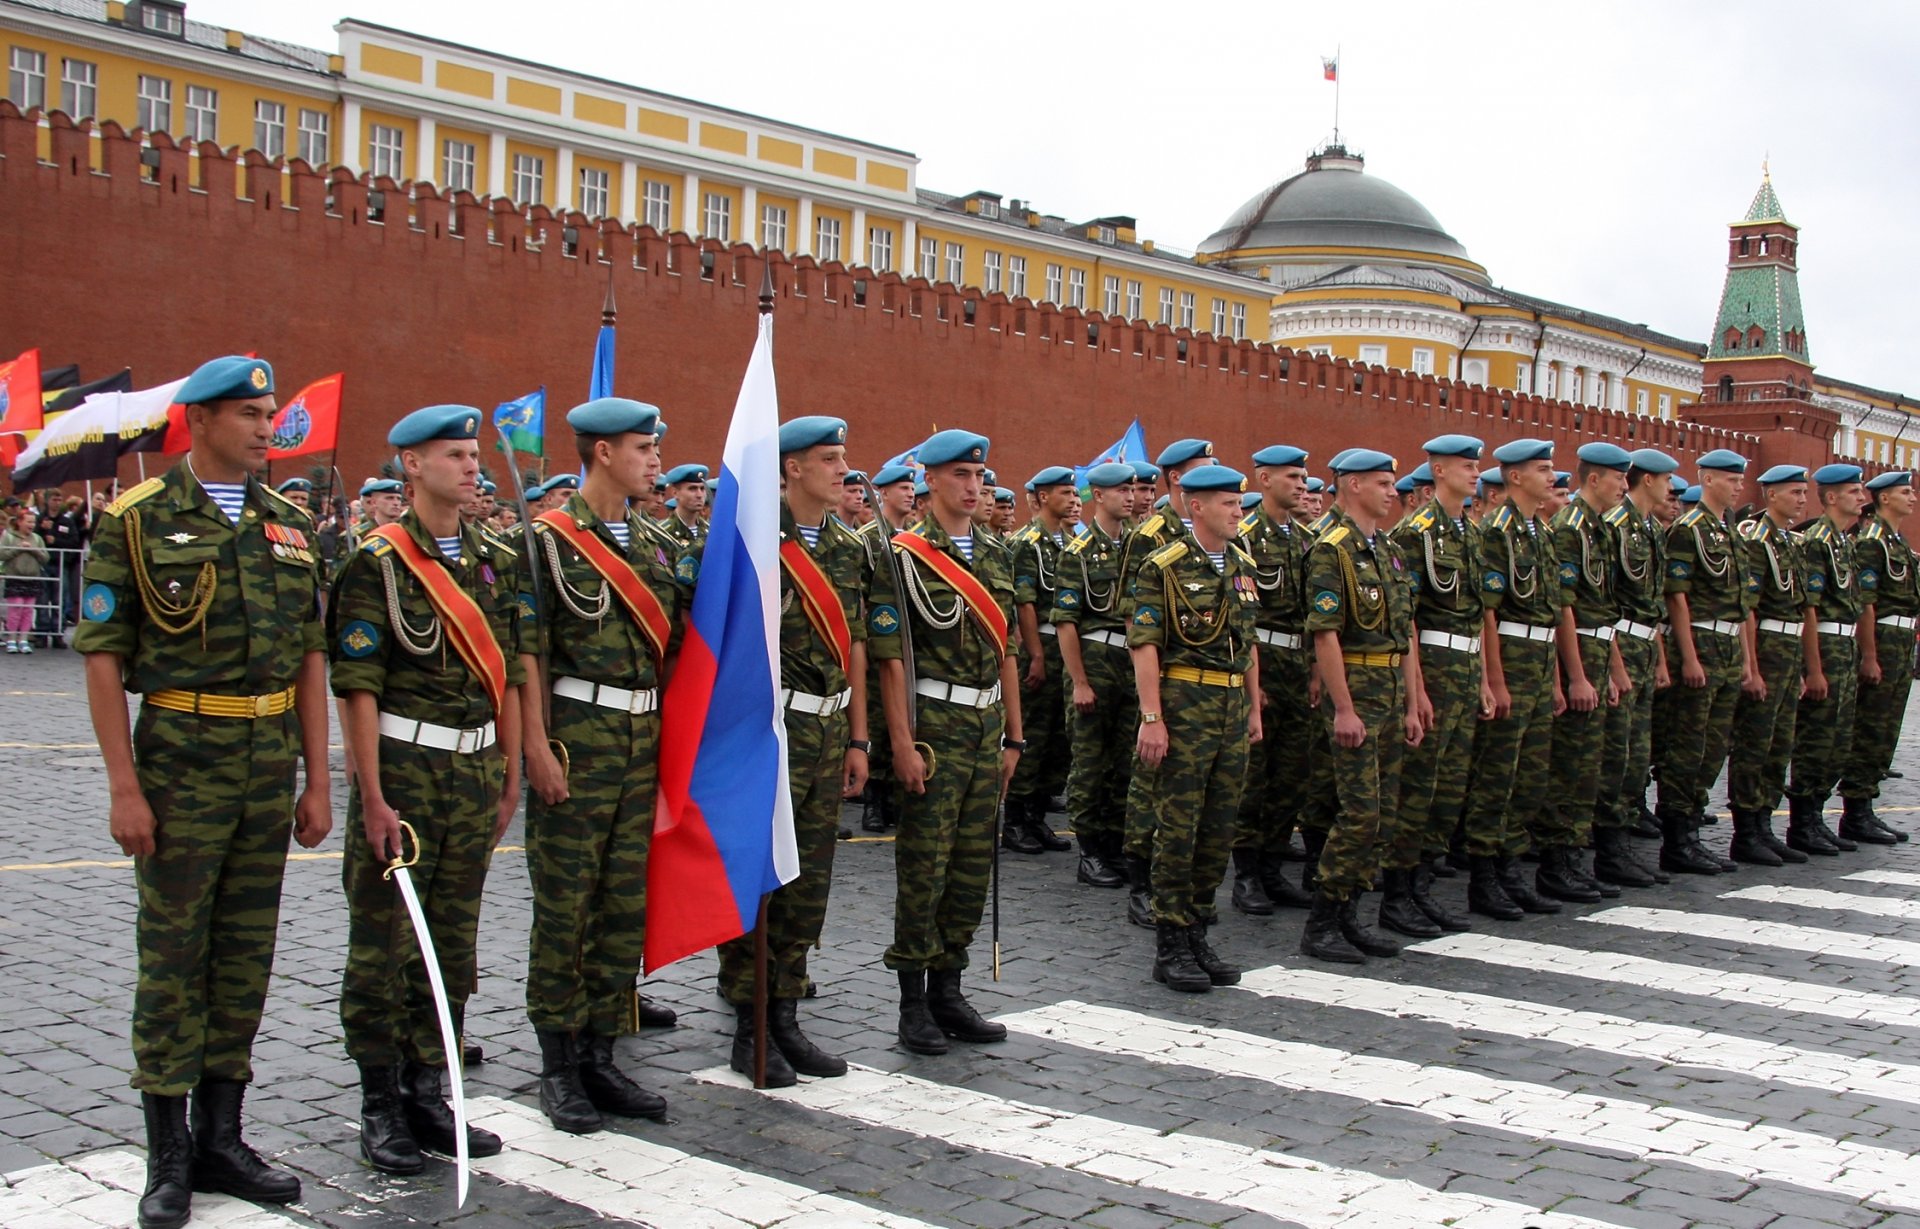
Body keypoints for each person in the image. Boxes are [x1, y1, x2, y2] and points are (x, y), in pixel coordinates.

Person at [76, 355, 331, 1229]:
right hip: (181, 757)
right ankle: (169, 1149)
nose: (269, 427)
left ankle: (224, 1134)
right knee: (174, 955)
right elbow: (105, 658)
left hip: (267, 765)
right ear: (200, 420)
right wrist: (124, 786)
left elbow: (309, 657)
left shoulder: (289, 522)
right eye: (251, 413)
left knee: (244, 953)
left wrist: (316, 775)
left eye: (270, 412)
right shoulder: (139, 519)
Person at [329, 404, 524, 1176]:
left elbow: (506, 671)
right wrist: (371, 793)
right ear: (412, 465)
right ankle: (380, 1103)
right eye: (455, 454)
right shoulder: (374, 563)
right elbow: (359, 687)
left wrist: (509, 769)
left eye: (474, 454)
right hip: (404, 774)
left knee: (451, 941)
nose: (472, 466)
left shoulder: (494, 558)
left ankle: (428, 1090)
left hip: (474, 772)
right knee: (384, 945)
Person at [514, 397, 685, 1129]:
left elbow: (673, 649)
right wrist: (536, 750)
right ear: (604, 453)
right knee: (566, 907)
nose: (654, 460)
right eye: (643, 448)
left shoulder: (652, 543)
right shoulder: (548, 543)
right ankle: (558, 1066)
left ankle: (602, 1053)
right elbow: (528, 657)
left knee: (622, 905)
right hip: (576, 743)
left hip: (639, 744)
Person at [713, 415, 870, 1083]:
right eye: (828, 459)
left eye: (843, 457)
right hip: (766, 731)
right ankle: (749, 1023)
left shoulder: (847, 545)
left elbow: (855, 645)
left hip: (828, 728)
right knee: (759, 878)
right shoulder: (752, 539)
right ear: (792, 469)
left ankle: (786, 1015)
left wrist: (859, 736)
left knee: (807, 884)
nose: (842, 470)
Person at [866, 429, 1023, 1056]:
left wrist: (1016, 734)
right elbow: (891, 661)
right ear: (929, 481)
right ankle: (912, 999)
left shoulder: (994, 551)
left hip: (986, 728)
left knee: (970, 864)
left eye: (978, 475)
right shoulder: (902, 556)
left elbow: (1006, 648)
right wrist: (900, 744)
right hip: (933, 726)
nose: (972, 485)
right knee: (924, 867)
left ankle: (949, 988)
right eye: (959, 474)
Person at [1130, 464, 1262, 991]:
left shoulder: (1241, 565)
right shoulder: (1162, 566)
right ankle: (1170, 942)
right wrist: (1152, 717)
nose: (1237, 513)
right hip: (1185, 704)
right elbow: (1145, 644)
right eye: (1228, 504)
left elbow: (1248, 644)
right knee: (1178, 828)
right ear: (1196, 507)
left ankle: (1199, 930)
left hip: (1230, 706)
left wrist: (1254, 706)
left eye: (1239, 504)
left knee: (1218, 828)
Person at [1299, 448, 1421, 962]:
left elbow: (1404, 631)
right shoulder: (1333, 550)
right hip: (1358, 692)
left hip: (1391, 690)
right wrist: (1343, 708)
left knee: (1383, 814)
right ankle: (1323, 921)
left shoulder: (1386, 548)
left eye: (1392, 483)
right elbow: (1326, 636)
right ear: (1351, 486)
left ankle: (1350, 913)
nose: (1392, 491)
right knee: (1359, 813)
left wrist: (1415, 702)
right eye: (1381, 483)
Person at [1384, 434, 1490, 936]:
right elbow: (1407, 620)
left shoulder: (1469, 532)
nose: (1475, 474)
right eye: (1465, 467)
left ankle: (1422, 885)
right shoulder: (1416, 533)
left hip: (1466, 669)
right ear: (1439, 472)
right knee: (1419, 787)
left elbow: (1479, 615)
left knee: (1448, 789)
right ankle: (1398, 892)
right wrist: (1417, 690)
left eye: (1476, 466)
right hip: (1434, 666)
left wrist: (1486, 679)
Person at [1461, 438, 1564, 919]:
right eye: (1543, 470)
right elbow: (1488, 614)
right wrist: (1496, 681)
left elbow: (1551, 613)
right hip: (1512, 656)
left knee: (1531, 774)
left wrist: (1558, 680)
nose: (1551, 477)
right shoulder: (1495, 533)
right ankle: (1484, 876)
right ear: (1516, 477)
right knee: (1498, 772)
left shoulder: (1539, 533)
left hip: (1540, 660)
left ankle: (1510, 867)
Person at [1119, 440, 1217, 927]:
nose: (1213, 475)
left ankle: (1184, 888)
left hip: (1212, 687)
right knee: (1149, 783)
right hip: (1166, 676)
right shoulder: (1152, 536)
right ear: (1179, 479)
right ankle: (1142, 880)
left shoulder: (1218, 536)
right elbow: (1132, 614)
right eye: (1204, 469)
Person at [1537, 442, 1635, 902]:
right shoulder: (1570, 529)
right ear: (1594, 479)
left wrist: (1614, 670)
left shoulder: (1601, 529)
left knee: (1591, 765)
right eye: (1618, 478)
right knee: (1571, 763)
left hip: (1598, 650)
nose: (1624, 486)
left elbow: (1605, 612)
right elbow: (1565, 607)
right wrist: (1576, 676)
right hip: (1576, 654)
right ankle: (1558, 862)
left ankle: (1576, 857)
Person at [1655, 449, 1755, 873]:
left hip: (1729, 646)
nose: (1738, 487)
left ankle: (1693, 825)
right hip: (1699, 642)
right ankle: (1677, 837)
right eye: (1731, 480)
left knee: (1714, 746)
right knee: (1687, 744)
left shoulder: (1728, 531)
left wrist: (1747, 662)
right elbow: (1676, 596)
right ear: (1709, 480)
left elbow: (1744, 604)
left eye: (1740, 480)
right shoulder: (1687, 530)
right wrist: (1689, 657)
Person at [1231, 444, 1315, 915]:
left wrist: (1317, 671)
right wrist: (1251, 679)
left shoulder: (1305, 539)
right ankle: (1246, 874)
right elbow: (1243, 620)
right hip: (1262, 662)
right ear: (1263, 480)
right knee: (1256, 777)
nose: (1301, 485)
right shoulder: (1245, 537)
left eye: (1303, 478)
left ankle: (1272, 867)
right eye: (1291, 477)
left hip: (1299, 667)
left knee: (1292, 776)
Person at [1593, 449, 1680, 884]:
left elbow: (1654, 606)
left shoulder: (1648, 530)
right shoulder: (1614, 528)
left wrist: (1660, 659)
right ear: (1646, 481)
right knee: (1616, 754)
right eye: (1666, 481)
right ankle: (1609, 849)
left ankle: (1621, 843)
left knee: (1636, 754)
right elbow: (1604, 605)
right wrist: (1615, 666)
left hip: (1645, 646)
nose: (1671, 490)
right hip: (1620, 644)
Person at [1051, 462, 1137, 889]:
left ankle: (1116, 843)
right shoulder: (1077, 551)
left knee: (1126, 761)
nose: (1130, 496)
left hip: (1131, 666)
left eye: (1132, 489)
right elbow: (1066, 622)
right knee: (1089, 762)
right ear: (1098, 496)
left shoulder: (1138, 549)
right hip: (1095, 661)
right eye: (1121, 489)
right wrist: (1080, 681)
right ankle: (1090, 851)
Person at [1725, 464, 1814, 865]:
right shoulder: (1756, 541)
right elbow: (1750, 610)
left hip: (1788, 650)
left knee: (1779, 745)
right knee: (1755, 743)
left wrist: (1799, 669)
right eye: (1794, 492)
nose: (1801, 499)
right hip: (1767, 649)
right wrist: (1752, 668)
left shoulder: (1792, 543)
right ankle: (1746, 830)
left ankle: (1764, 823)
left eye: (1803, 492)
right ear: (1771, 495)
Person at [1784, 463, 1871, 852]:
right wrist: (1814, 669)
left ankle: (1816, 815)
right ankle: (1802, 822)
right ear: (1832, 497)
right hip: (1826, 647)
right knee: (1817, 736)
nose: (1862, 498)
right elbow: (1809, 609)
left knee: (1837, 737)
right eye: (1855, 492)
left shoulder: (1843, 541)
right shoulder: (1817, 541)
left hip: (1845, 647)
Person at [1003, 465, 1079, 855]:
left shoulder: (1069, 541)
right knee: (1033, 734)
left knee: (1057, 738)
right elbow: (1025, 603)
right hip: (1042, 644)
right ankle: (1015, 819)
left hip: (1066, 648)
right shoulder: (1027, 543)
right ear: (1043, 497)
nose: (1072, 499)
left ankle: (1036, 816)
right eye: (1064, 493)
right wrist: (1034, 654)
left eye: (1073, 492)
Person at [1839, 469, 1918, 842]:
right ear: (1884, 498)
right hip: (1883, 637)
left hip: (1901, 640)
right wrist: (1869, 655)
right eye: (1906, 492)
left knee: (1886, 728)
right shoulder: (1873, 542)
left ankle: (1866, 805)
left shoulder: (1897, 542)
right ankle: (1855, 810)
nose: (1912, 498)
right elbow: (1866, 605)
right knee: (1870, 726)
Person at [0, 506, 48, 652]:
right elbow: (2, 555)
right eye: (28, 521)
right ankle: (11, 638)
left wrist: (34, 550)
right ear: (20, 522)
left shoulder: (37, 539)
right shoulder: (9, 536)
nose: (31, 525)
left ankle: (24, 639)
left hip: (32, 578)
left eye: (33, 522)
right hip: (14, 577)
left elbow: (46, 558)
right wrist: (18, 548)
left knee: (28, 610)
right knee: (16, 608)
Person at [661, 463, 710, 546]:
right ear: (675, 493)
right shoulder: (663, 533)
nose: (699, 495)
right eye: (692, 489)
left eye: (702, 489)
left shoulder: (711, 531)